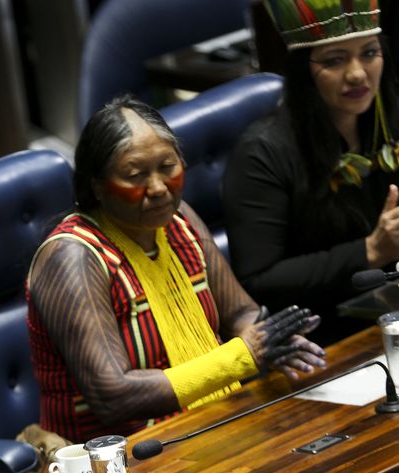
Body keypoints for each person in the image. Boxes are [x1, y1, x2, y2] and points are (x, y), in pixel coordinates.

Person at [26, 95, 326, 444]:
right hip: (115, 462)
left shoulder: (180, 220)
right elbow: (113, 395)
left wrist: (275, 340)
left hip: (209, 428)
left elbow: (240, 311)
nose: (157, 188)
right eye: (135, 175)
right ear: (96, 185)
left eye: (167, 167)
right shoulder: (72, 258)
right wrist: (243, 356)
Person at [223, 0, 399, 345]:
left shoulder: (391, 115)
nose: (357, 74)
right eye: (335, 60)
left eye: (369, 53)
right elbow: (259, 282)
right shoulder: (261, 152)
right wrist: (370, 251)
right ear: (304, 70)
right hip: (323, 338)